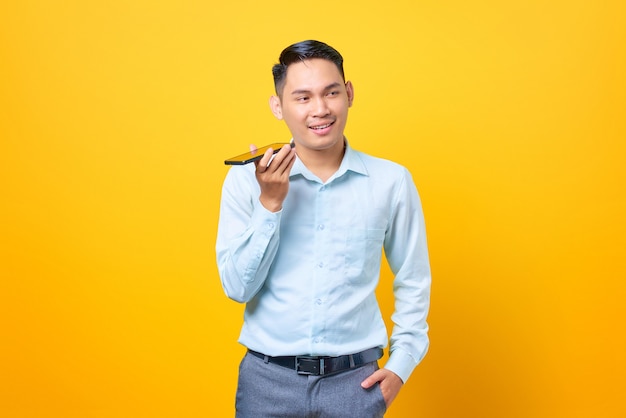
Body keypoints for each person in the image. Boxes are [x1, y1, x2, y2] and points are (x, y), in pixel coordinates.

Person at [216, 40, 431, 417]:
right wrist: (270, 203)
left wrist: (402, 365)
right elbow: (237, 288)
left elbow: (414, 280)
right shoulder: (246, 183)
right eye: (302, 97)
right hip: (267, 384)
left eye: (331, 92)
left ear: (348, 93)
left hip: (355, 386)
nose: (320, 109)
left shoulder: (391, 181)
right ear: (278, 106)